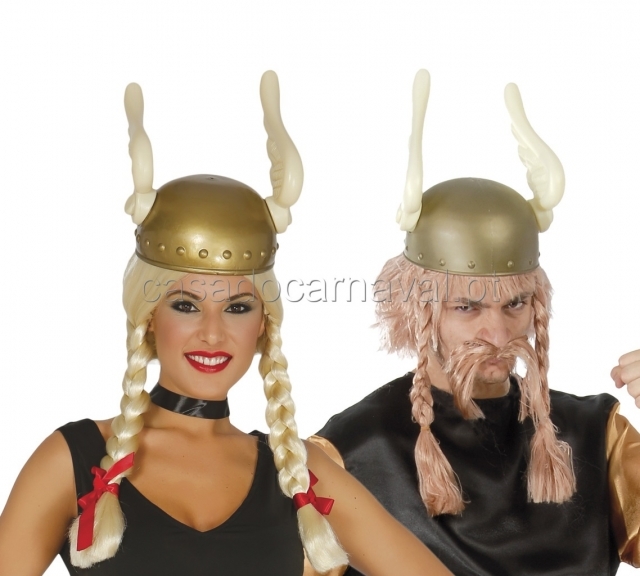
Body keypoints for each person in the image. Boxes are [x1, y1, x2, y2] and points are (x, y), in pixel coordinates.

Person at [0, 71, 452, 576]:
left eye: (237, 308)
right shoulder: (71, 460)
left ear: (263, 324)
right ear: (149, 317)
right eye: (186, 305)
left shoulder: (299, 472)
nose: (213, 334)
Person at [310, 70, 640, 575]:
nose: (500, 335)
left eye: (516, 304)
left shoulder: (598, 435)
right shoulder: (351, 451)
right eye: (467, 308)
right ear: (417, 310)